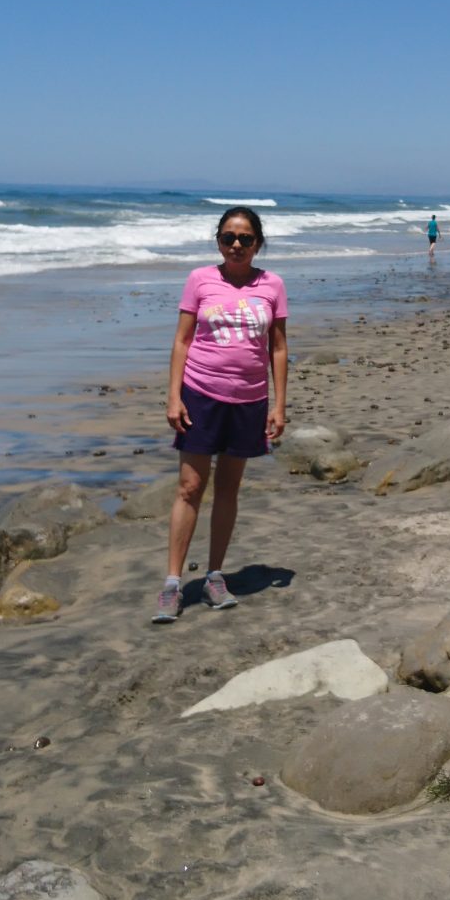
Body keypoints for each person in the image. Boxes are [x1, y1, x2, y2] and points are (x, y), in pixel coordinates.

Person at [159, 207, 290, 624]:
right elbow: (182, 341)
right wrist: (173, 397)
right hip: (201, 396)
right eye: (229, 237)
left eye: (246, 238)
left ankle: (215, 576)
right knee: (189, 486)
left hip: (249, 401)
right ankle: (173, 584)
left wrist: (279, 404)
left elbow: (279, 348)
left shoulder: (272, 285)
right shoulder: (200, 279)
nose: (237, 245)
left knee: (229, 489)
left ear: (258, 243)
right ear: (218, 240)